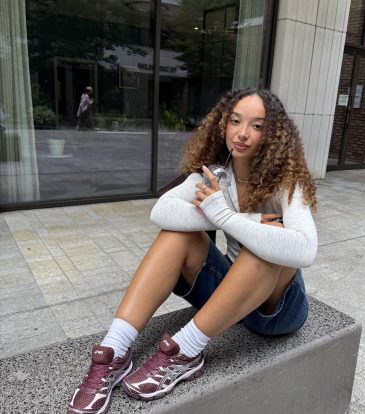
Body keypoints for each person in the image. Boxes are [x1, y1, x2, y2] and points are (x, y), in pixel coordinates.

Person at [67, 88, 318, 413]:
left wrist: (226, 217)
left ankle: (184, 351)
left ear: (273, 134)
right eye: (235, 121)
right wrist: (226, 215)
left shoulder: (287, 181)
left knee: (269, 240)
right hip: (232, 297)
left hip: (278, 309)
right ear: (222, 125)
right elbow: (161, 211)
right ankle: (114, 350)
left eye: (257, 126)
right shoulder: (216, 175)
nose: (242, 133)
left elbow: (306, 249)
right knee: (177, 234)